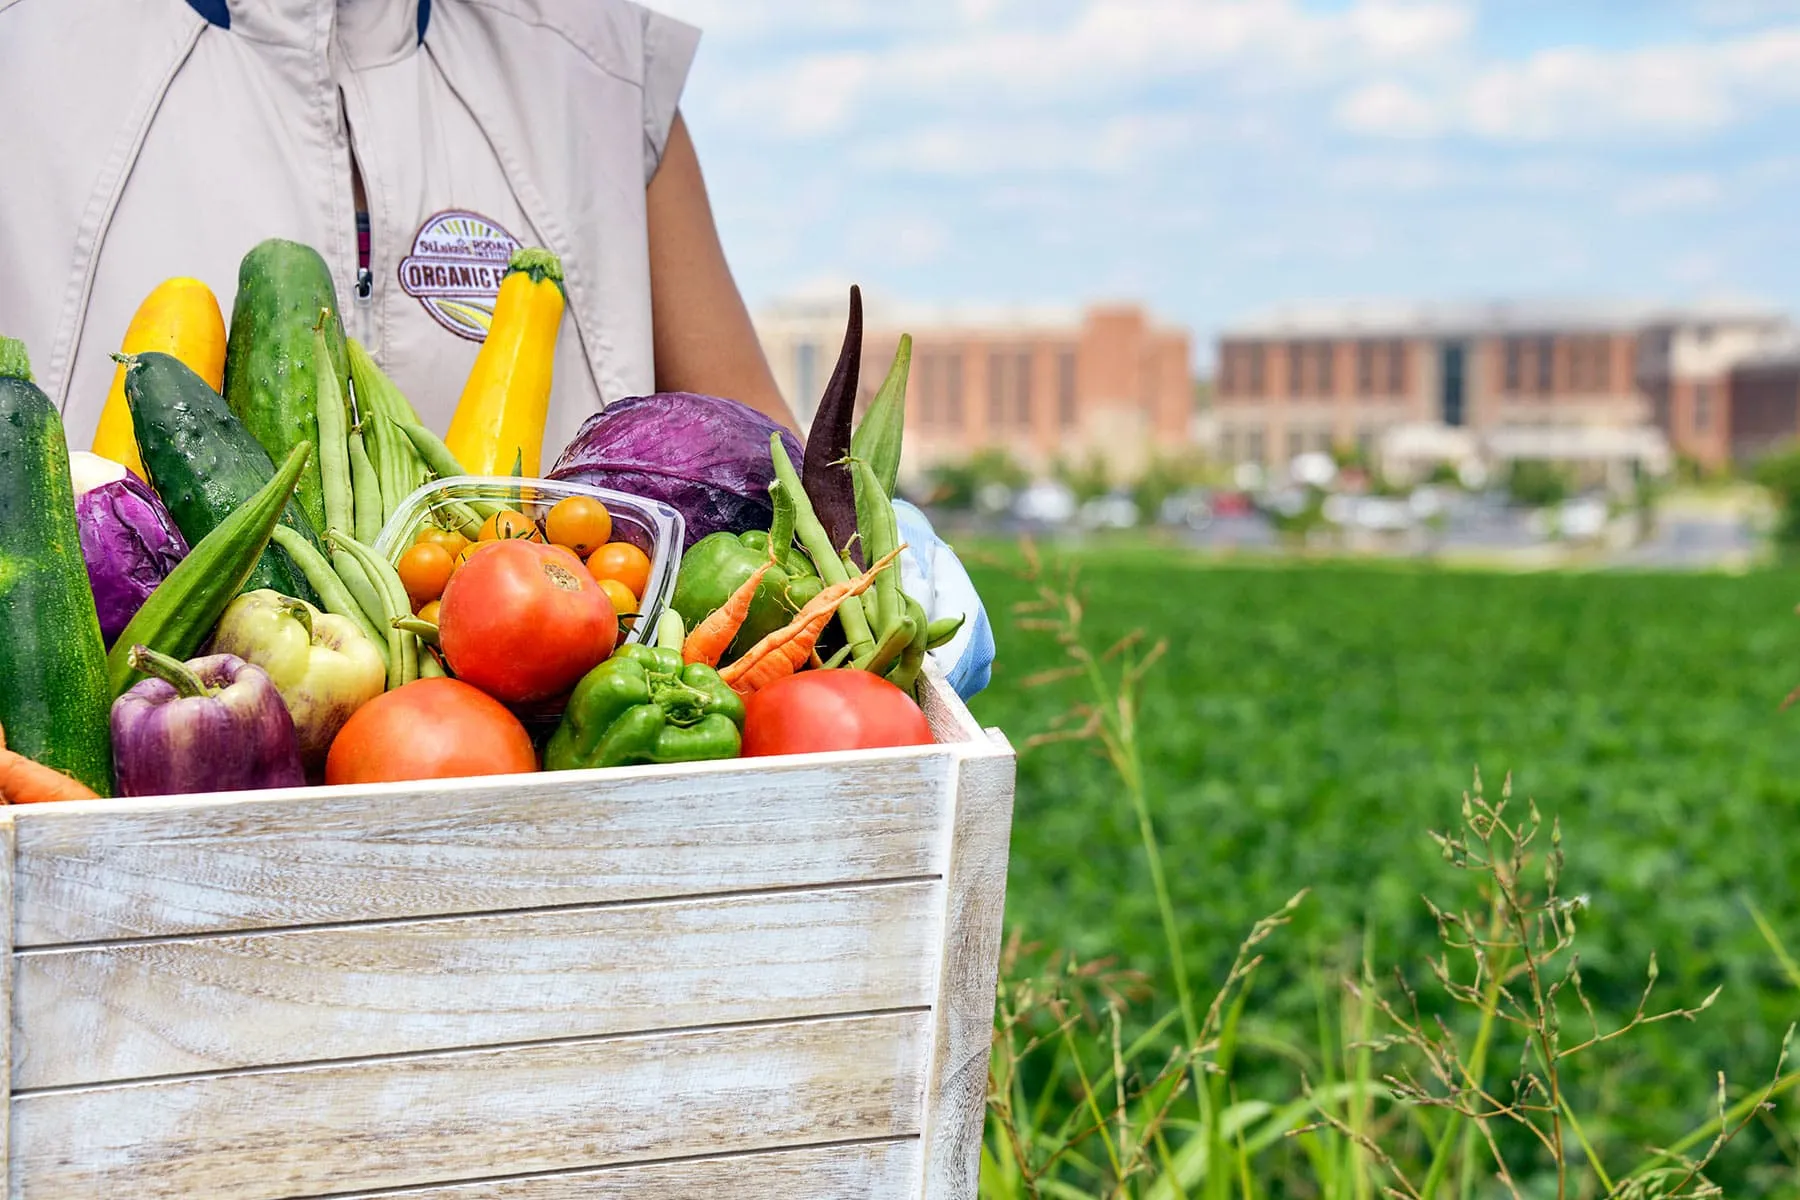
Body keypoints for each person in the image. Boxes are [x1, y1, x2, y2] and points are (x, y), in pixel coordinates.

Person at [0, 0, 993, 698]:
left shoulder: (600, 71)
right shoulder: (29, 59)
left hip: (581, 811)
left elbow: (767, 468)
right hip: (142, 829)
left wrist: (880, 562)